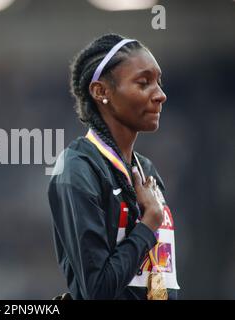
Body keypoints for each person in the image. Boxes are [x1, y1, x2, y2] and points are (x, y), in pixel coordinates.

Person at [48, 34, 180, 300]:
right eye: (144, 83)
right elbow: (98, 290)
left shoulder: (147, 170)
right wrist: (147, 225)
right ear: (101, 92)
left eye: (158, 83)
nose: (160, 95)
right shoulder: (77, 169)